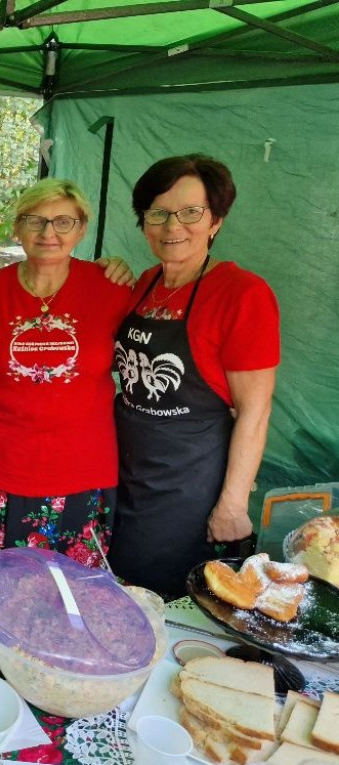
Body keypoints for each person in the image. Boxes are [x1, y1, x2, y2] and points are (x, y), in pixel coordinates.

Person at [0, 179, 133, 581]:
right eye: (35, 221)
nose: (49, 233)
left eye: (64, 221)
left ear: (82, 229)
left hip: (81, 472)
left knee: (69, 593)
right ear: (17, 227)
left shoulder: (113, 291)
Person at [109, 154, 280, 598]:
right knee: (120, 581)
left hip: (187, 480)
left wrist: (233, 503)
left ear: (216, 221)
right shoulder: (145, 282)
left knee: (163, 594)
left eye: (190, 213)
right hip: (126, 466)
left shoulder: (242, 294)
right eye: (158, 213)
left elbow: (255, 412)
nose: (172, 227)